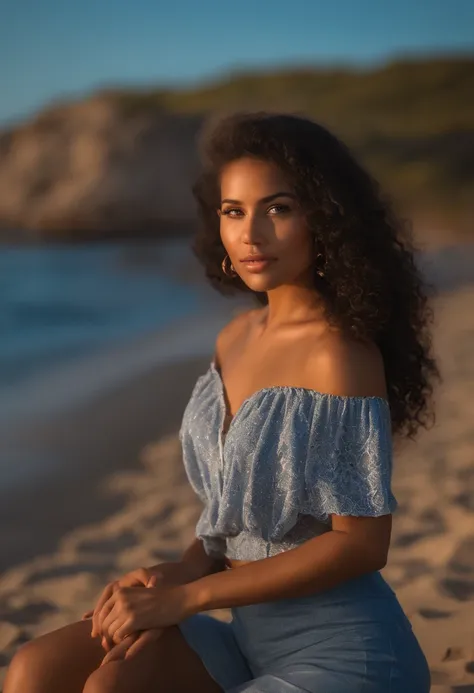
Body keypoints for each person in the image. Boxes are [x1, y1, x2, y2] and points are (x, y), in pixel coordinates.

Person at [4, 111, 440, 693]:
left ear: (326, 221)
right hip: (246, 639)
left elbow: (361, 545)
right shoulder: (235, 338)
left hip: (345, 655)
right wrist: (179, 571)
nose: (251, 233)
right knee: (36, 668)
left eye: (278, 209)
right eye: (234, 211)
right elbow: (234, 517)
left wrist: (191, 597)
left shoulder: (340, 355)